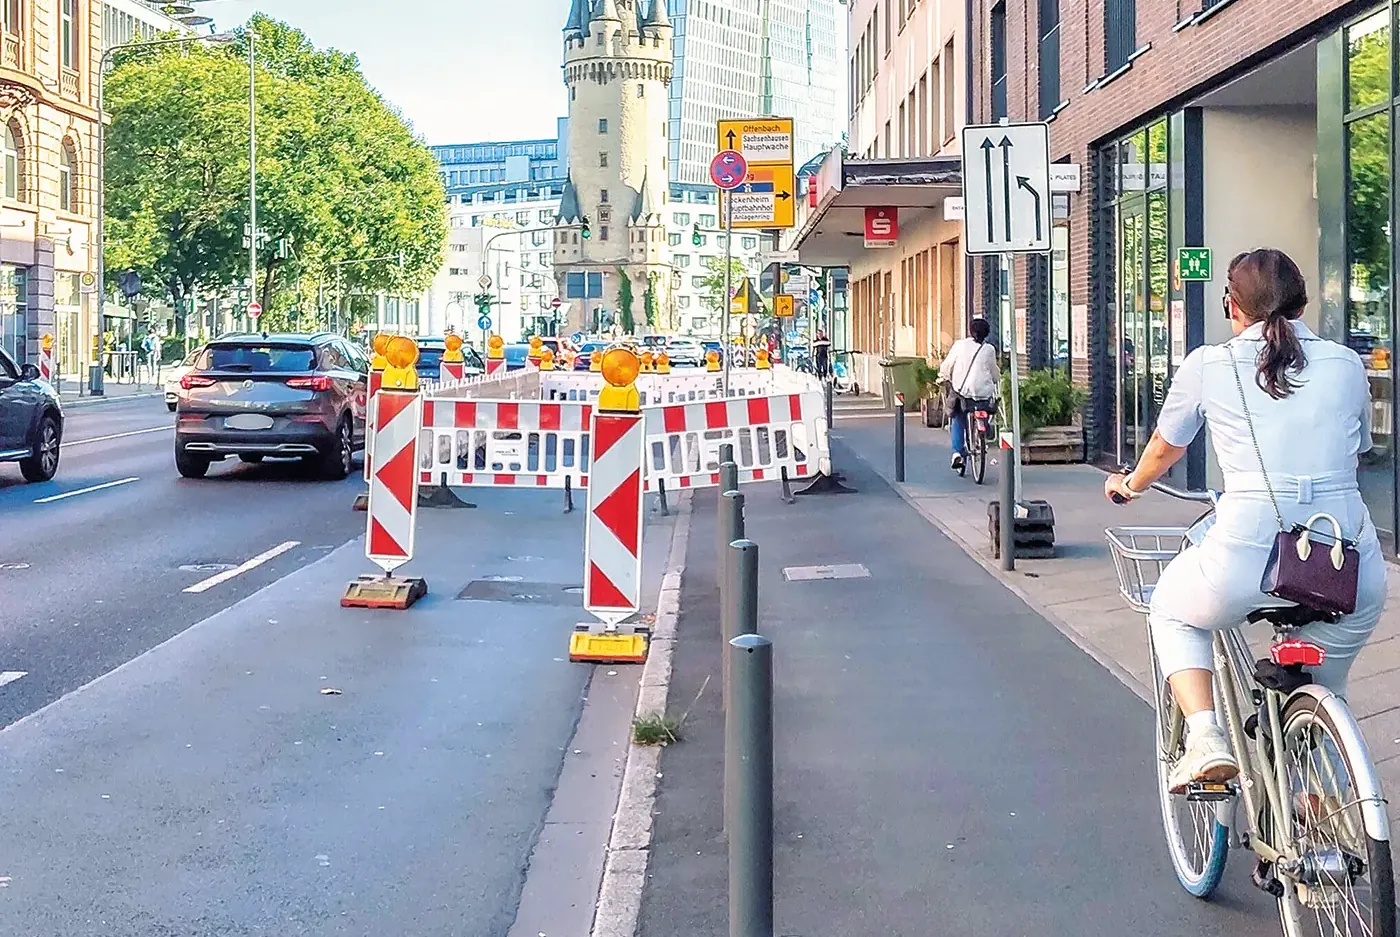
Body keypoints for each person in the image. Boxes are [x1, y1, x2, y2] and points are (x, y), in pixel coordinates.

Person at [1104, 248, 1386, 792]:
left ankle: (1207, 737)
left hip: (1248, 557)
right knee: (1326, 688)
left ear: (1230, 304)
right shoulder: (1347, 364)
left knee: (1171, 608)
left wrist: (1129, 486)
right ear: (1303, 304)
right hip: (1348, 566)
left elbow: (1165, 449)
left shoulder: (1209, 364)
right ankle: (1311, 792)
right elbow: (1358, 449)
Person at [940, 318, 1001, 470]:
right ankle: (982, 433)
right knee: (984, 408)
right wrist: (996, 379)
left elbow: (947, 366)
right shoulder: (989, 350)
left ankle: (957, 453)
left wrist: (944, 375)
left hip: (962, 390)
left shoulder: (960, 345)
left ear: (970, 331)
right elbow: (994, 372)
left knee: (957, 417)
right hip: (982, 392)